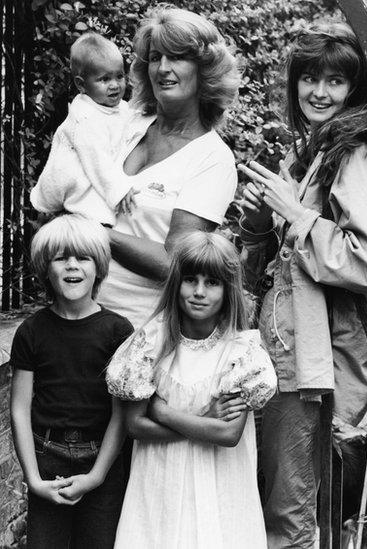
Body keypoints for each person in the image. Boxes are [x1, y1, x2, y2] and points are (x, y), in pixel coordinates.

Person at [238, 23, 367, 548]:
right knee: (279, 507)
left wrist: (298, 218)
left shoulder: (355, 155)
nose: (319, 92)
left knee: (297, 519)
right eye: (309, 77)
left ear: (353, 89)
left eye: (335, 80)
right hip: (281, 357)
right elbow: (274, 268)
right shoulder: (307, 155)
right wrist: (264, 223)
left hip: (318, 364)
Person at [105, 231, 277, 548]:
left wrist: (161, 410)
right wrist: (204, 419)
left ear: (228, 290)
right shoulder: (150, 343)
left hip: (223, 483)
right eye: (190, 280)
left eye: (211, 283)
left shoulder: (241, 353)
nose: (199, 292)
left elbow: (227, 434)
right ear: (176, 284)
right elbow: (135, 426)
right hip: (161, 486)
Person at [98, 6, 241, 328]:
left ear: (205, 69)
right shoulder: (126, 125)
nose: (163, 68)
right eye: (155, 57)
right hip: (78, 317)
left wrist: (96, 234)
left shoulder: (212, 159)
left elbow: (175, 262)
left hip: (143, 328)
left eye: (177, 57)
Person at [9, 214, 134, 549]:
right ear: (45, 269)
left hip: (102, 464)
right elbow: (19, 410)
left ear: (99, 268)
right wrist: (34, 481)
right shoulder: (31, 331)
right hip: (47, 459)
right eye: (61, 258)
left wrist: (96, 477)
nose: (72, 266)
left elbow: (122, 415)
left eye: (83, 257)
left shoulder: (118, 331)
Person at [30, 32, 134, 226]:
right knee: (88, 204)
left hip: (96, 177)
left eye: (119, 76)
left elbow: (130, 122)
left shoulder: (120, 107)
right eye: (104, 79)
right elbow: (97, 158)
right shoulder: (85, 116)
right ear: (81, 84)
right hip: (75, 185)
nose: (114, 85)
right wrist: (118, 188)